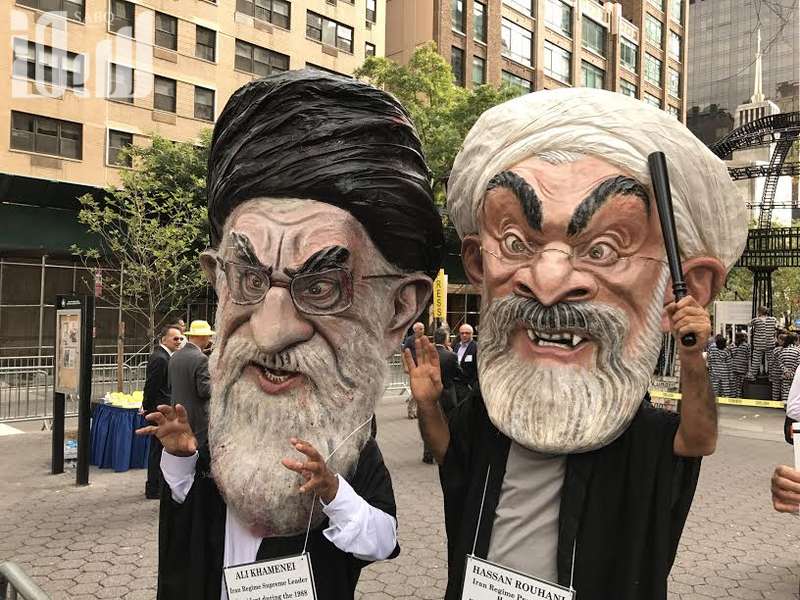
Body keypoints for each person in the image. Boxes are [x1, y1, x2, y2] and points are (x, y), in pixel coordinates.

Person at [409, 88, 748, 599]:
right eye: (516, 244)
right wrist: (428, 403)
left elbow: (697, 440)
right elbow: (450, 455)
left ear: (685, 288)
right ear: (478, 264)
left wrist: (693, 357)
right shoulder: (488, 416)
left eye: (603, 249)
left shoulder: (640, 435)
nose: (547, 282)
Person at [136, 70, 444, 600]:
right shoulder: (224, 438)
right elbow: (187, 514)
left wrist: (334, 492)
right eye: (250, 279)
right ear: (219, 279)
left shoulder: (354, 450)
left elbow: (381, 541)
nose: (271, 331)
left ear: (397, 308)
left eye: (320, 286)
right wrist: (184, 455)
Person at [142, 324, 183, 499]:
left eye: (180, 338)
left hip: (162, 409)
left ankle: (157, 486)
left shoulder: (165, 356)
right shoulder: (160, 358)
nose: (179, 341)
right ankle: (154, 487)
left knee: (160, 449)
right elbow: (151, 386)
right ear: (164, 339)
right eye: (175, 338)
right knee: (157, 450)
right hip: (159, 411)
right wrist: (147, 407)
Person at [420, 328, 463, 464]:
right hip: (447, 394)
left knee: (429, 422)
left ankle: (428, 454)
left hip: (429, 393)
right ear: (445, 339)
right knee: (448, 423)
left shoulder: (426, 355)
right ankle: (447, 452)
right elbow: (459, 373)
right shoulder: (451, 356)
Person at [168, 320, 213, 447]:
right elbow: (205, 391)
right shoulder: (201, 359)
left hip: (177, 417)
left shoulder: (174, 356)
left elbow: (170, 385)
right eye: (209, 336)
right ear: (204, 337)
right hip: (197, 422)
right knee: (199, 455)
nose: (209, 340)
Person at [402, 322, 426, 419]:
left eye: (423, 328)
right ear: (415, 330)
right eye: (421, 329)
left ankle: (416, 410)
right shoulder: (409, 340)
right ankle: (411, 410)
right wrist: (405, 366)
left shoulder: (424, 339)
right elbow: (403, 353)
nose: (423, 330)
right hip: (413, 368)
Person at [750, 306, 778, 378]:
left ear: (759, 312)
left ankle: (752, 375)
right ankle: (772, 376)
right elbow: (777, 326)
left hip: (759, 344)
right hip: (770, 343)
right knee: (771, 360)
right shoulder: (773, 319)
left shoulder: (755, 320)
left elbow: (749, 324)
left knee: (756, 360)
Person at [453, 323, 478, 394]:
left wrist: (473, 385)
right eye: (462, 333)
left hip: (469, 385)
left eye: (467, 333)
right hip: (456, 383)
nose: (464, 335)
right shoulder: (457, 346)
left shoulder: (476, 347)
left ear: (472, 334)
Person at [779, 333, 800, 404]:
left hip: (785, 375)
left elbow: (780, 362)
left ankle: (785, 405)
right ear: (795, 341)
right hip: (794, 375)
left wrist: (786, 371)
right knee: (795, 391)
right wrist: (791, 371)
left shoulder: (783, 350)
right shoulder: (798, 350)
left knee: (785, 391)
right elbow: (798, 362)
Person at [730, 332, 750, 398]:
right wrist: (748, 369)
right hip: (743, 368)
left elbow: (731, 355)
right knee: (740, 385)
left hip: (734, 367)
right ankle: (738, 397)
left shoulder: (732, 345)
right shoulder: (747, 346)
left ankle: (733, 397)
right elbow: (748, 357)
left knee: (734, 385)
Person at [770, 332, 786, 402]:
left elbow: (772, 362)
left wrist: (770, 373)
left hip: (775, 372)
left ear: (782, 340)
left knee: (775, 390)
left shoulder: (776, 350)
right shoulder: (787, 349)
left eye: (778, 339)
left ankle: (775, 403)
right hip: (784, 373)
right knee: (784, 390)